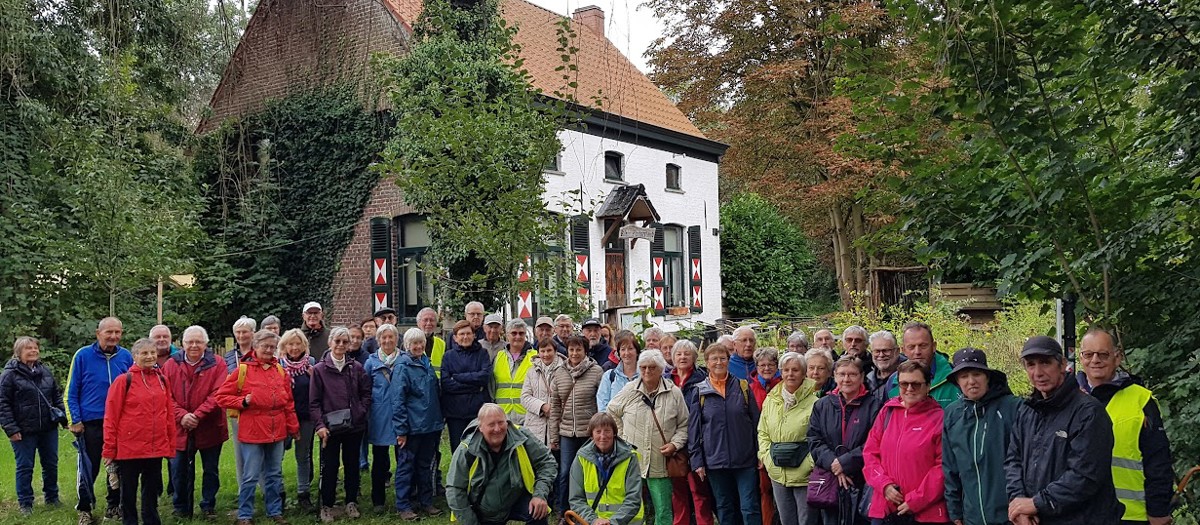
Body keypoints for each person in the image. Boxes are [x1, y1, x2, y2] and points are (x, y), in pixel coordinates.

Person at [1006, 336, 1122, 525]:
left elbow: (1085, 475)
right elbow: (1013, 460)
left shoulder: (1088, 412)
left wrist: (1036, 503)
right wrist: (1019, 504)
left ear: (1062, 364)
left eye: (1045, 363)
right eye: (1031, 365)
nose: (1038, 372)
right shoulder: (1027, 410)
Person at [1077, 329, 1174, 525]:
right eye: (1089, 354)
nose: (1095, 360)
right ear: (1081, 358)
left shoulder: (1141, 400)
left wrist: (1159, 510)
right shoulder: (1068, 398)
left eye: (1103, 354)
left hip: (1129, 516)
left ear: (1117, 357)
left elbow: (1158, 461)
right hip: (1079, 512)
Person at [215, 330, 300, 525]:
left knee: (274, 474)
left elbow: (288, 403)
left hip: (277, 431)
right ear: (255, 347)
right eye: (265, 346)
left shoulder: (280, 371)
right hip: (252, 431)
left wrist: (293, 427)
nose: (269, 350)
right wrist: (242, 401)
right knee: (251, 475)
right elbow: (220, 396)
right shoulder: (243, 370)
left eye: (272, 347)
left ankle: (275, 511)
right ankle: (245, 514)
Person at [607, 350, 689, 525]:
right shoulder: (630, 389)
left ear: (661, 369)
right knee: (632, 508)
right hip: (632, 460)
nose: (647, 372)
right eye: (643, 367)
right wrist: (622, 438)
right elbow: (611, 410)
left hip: (660, 462)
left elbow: (684, 425)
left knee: (663, 510)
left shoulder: (674, 393)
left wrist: (675, 444)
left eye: (652, 368)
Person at [942, 348, 1021, 525]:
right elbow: (950, 468)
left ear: (987, 376)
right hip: (972, 517)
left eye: (977, 374)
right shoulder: (952, 414)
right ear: (956, 381)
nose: (971, 382)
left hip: (1011, 516)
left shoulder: (1014, 408)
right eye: (964, 376)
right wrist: (955, 513)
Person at [863, 361, 948, 524]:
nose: (909, 389)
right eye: (904, 384)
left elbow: (942, 467)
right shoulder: (887, 412)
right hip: (885, 507)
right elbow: (870, 453)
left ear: (928, 386)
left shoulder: (939, 419)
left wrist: (916, 500)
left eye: (916, 384)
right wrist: (884, 485)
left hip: (925, 513)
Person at [65, 316, 132, 524]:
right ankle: (84, 508)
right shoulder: (83, 355)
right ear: (98, 333)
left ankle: (113, 506)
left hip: (120, 423)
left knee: (117, 468)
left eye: (117, 332)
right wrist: (75, 419)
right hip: (91, 422)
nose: (113, 336)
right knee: (88, 467)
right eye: (108, 332)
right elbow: (70, 392)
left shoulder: (126, 357)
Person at [102, 338, 175, 525]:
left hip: (155, 446)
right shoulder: (123, 381)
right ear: (135, 356)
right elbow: (111, 417)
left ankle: (151, 520)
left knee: (151, 489)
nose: (149, 356)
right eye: (144, 353)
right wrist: (109, 449)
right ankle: (130, 521)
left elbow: (168, 414)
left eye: (152, 353)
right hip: (129, 447)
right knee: (128, 491)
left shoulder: (162, 380)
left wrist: (170, 443)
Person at [446, 403, 557, 525]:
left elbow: (547, 462)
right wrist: (470, 522)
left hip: (516, 498)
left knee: (539, 512)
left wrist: (540, 494)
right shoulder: (466, 449)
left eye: (501, 422)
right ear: (480, 428)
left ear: (507, 423)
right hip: (484, 510)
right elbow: (455, 489)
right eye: (491, 425)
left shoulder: (522, 436)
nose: (497, 429)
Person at [688, 342, 762, 525]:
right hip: (715, 462)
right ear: (707, 362)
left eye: (722, 358)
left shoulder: (743, 387)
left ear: (728, 361)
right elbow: (694, 430)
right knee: (725, 507)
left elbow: (757, 424)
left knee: (749, 507)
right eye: (714, 359)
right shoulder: (699, 391)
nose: (719, 362)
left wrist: (760, 453)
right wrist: (697, 461)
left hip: (745, 459)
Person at [162, 326, 228, 519]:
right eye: (189, 342)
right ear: (182, 344)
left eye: (198, 342)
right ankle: (180, 507)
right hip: (179, 427)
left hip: (210, 427)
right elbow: (165, 395)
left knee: (211, 470)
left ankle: (208, 506)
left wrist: (197, 415)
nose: (193, 345)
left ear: (206, 344)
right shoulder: (170, 364)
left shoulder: (218, 363)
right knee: (178, 470)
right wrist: (182, 415)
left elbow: (218, 394)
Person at [808, 355, 883, 525]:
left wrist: (846, 463)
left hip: (862, 479)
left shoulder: (874, 405)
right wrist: (834, 464)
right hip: (830, 479)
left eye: (852, 374)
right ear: (834, 376)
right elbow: (814, 439)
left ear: (862, 377)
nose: (846, 379)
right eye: (841, 374)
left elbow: (877, 442)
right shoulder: (822, 405)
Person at [309, 326, 371, 522]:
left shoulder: (356, 368)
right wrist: (319, 425)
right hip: (330, 427)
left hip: (354, 425)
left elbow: (367, 393)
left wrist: (360, 412)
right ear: (330, 343)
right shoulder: (319, 370)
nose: (341, 345)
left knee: (352, 465)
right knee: (330, 467)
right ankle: (327, 505)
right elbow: (314, 402)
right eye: (337, 341)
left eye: (345, 342)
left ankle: (351, 502)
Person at [1, 336, 66, 516]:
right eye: (28, 348)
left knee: (51, 464)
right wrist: (11, 429)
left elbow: (56, 396)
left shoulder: (45, 371)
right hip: (23, 430)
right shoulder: (9, 375)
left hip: (48, 428)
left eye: (36, 348)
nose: (33, 351)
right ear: (18, 352)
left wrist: (64, 419)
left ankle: (52, 497)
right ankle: (25, 503)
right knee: (25, 466)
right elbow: (3, 403)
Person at [758, 352, 819, 525]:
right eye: (786, 370)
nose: (790, 374)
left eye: (795, 370)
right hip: (777, 471)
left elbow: (819, 438)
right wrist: (767, 458)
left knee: (806, 521)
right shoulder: (771, 399)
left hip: (804, 473)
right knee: (786, 521)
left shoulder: (815, 402)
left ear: (804, 372)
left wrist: (809, 464)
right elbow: (762, 431)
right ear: (781, 373)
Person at [394, 327, 446, 519]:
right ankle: (404, 505)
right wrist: (401, 430)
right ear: (407, 345)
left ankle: (426, 502)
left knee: (425, 466)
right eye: (414, 343)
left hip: (430, 425)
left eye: (421, 343)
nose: (418, 346)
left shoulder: (427, 363)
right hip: (412, 427)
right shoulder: (402, 367)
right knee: (406, 466)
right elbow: (397, 400)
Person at [549, 334, 603, 514]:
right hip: (566, 433)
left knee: (589, 473)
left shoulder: (596, 371)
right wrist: (554, 435)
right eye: (571, 349)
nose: (574, 353)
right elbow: (555, 405)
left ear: (585, 351)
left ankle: (589, 510)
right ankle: (564, 511)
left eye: (579, 349)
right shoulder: (559, 372)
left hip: (589, 433)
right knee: (565, 473)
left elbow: (600, 403)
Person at [668, 340, 715, 525]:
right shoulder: (667, 380)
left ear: (695, 358)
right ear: (672, 358)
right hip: (673, 444)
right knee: (678, 493)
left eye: (687, 354)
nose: (683, 357)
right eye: (678, 354)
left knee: (699, 492)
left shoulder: (703, 380)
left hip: (696, 444)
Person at [568, 412, 644, 525]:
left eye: (607, 431)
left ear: (614, 433)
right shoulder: (581, 458)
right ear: (591, 435)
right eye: (598, 432)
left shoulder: (630, 457)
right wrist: (593, 520)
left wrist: (612, 522)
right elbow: (576, 499)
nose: (603, 436)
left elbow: (633, 498)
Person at [363, 323, 403, 514]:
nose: (387, 341)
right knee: (380, 461)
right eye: (383, 338)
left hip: (401, 416)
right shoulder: (371, 363)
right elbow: (365, 390)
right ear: (378, 340)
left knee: (403, 459)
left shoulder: (404, 359)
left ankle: (405, 497)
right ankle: (378, 500)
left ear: (397, 339)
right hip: (379, 416)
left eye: (391, 337)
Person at [278, 328, 317, 513]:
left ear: (304, 345)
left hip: (305, 417)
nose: (294, 347)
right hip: (282, 418)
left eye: (298, 343)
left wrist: (313, 378)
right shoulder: (278, 365)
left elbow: (317, 391)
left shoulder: (311, 364)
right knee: (277, 457)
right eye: (290, 344)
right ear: (284, 346)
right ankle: (278, 494)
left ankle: (304, 494)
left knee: (303, 456)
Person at [441, 320, 493, 452]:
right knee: (458, 450)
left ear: (474, 335)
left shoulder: (482, 354)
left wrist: (458, 377)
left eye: (468, 333)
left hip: (478, 411)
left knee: (479, 449)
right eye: (461, 334)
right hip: (455, 413)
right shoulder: (448, 356)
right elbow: (446, 384)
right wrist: (474, 385)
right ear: (455, 337)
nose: (465, 337)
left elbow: (484, 377)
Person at [886, 322, 960, 407]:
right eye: (911, 347)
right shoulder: (893, 382)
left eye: (923, 346)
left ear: (934, 346)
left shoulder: (954, 377)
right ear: (903, 350)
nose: (917, 352)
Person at [222, 317, 256, 492]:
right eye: (238, 332)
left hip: (258, 408)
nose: (241, 335)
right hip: (237, 408)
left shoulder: (261, 353)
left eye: (245, 331)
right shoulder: (228, 356)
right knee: (239, 448)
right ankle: (244, 489)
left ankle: (267, 489)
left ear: (253, 333)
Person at [522, 337, 565, 447]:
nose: (546, 354)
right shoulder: (531, 372)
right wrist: (542, 406)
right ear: (538, 352)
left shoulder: (565, 370)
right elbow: (525, 397)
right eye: (542, 351)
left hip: (558, 425)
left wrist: (554, 409)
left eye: (549, 350)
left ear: (555, 351)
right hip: (535, 425)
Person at [495, 318, 536, 424]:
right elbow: (492, 386)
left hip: (527, 416)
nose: (517, 337)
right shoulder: (499, 356)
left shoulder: (535, 357)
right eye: (514, 333)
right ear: (507, 335)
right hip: (503, 416)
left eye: (521, 333)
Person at [596, 332, 640, 411]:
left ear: (637, 351)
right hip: (614, 422)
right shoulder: (609, 376)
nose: (626, 353)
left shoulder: (645, 376)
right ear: (619, 353)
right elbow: (602, 405)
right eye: (623, 349)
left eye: (630, 348)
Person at [865, 330, 904, 397]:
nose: (881, 355)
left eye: (886, 350)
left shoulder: (907, 377)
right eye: (877, 351)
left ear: (897, 351)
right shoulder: (868, 379)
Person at [417, 307, 447, 377]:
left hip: (438, 385)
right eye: (425, 320)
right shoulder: (410, 343)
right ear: (418, 323)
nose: (429, 323)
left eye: (432, 320)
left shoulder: (442, 344)